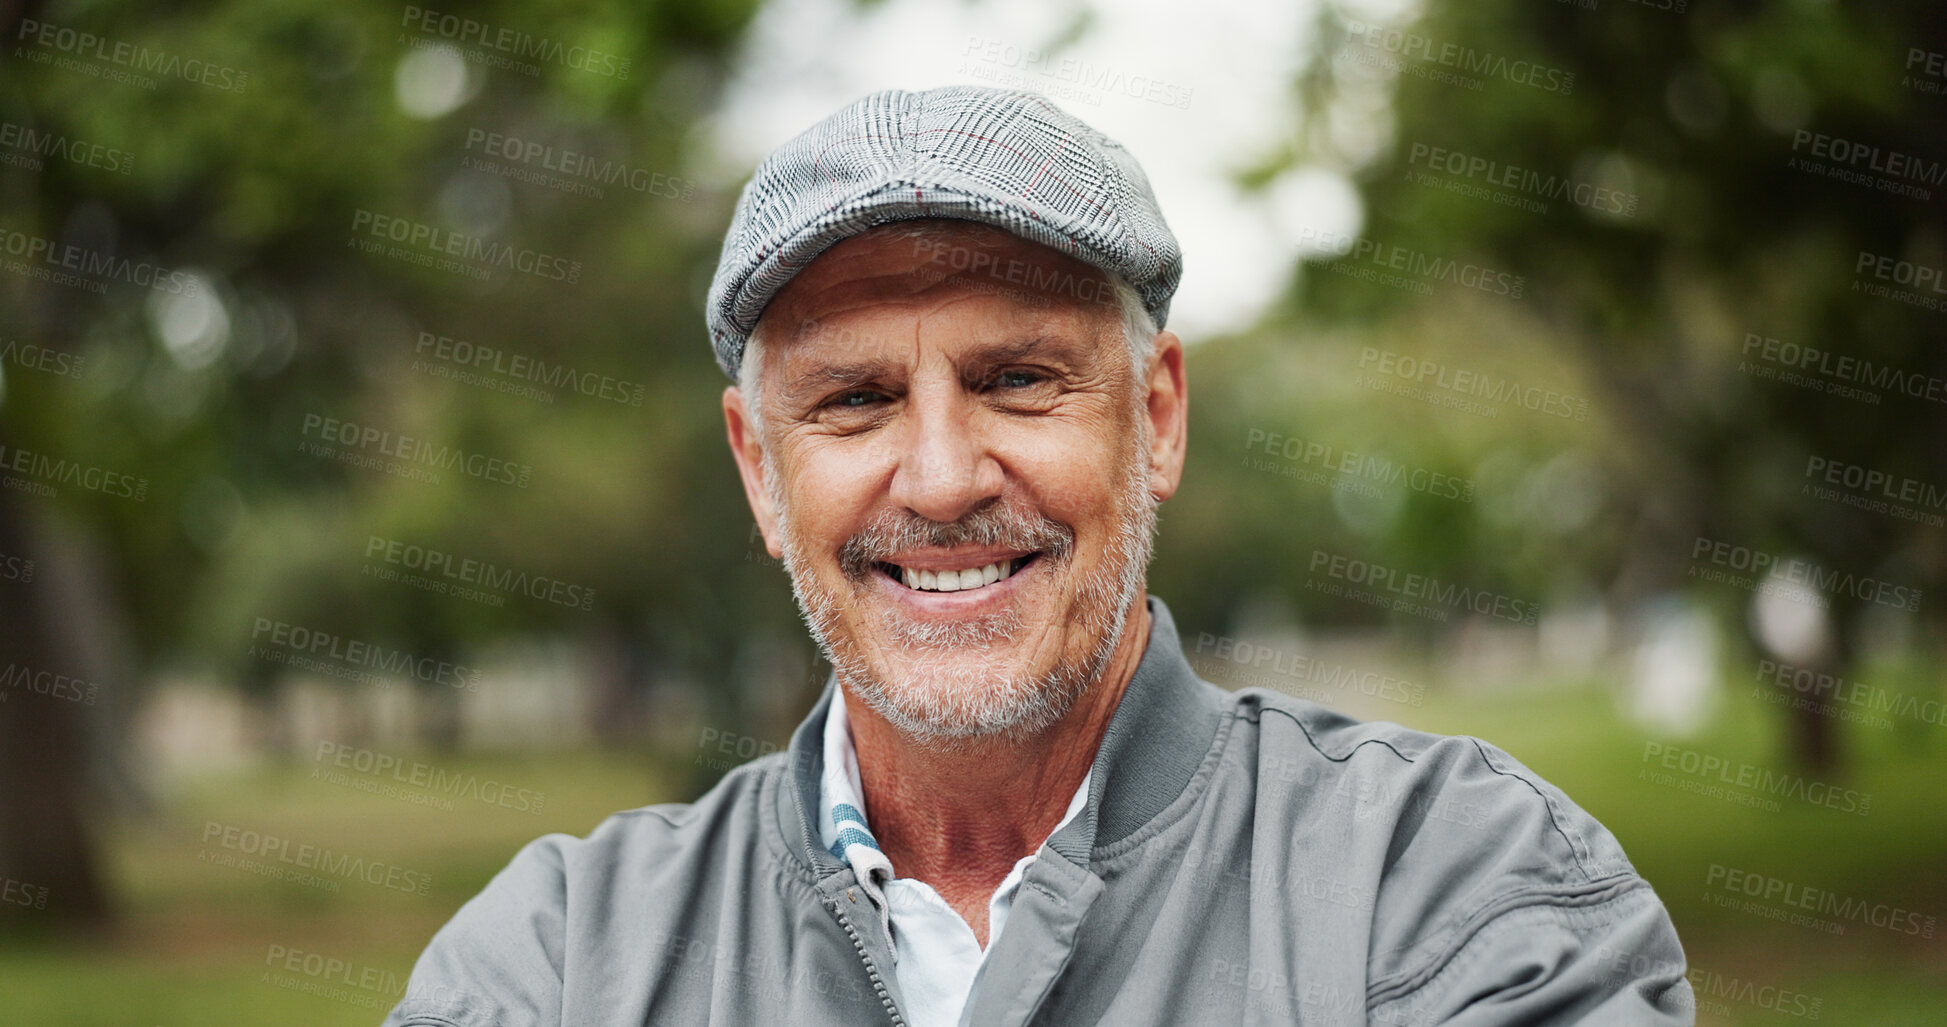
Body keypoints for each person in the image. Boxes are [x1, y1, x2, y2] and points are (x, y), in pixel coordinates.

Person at [384, 85, 1694, 1027]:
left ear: (1158, 418)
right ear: (758, 472)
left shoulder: (1447, 886)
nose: (944, 478)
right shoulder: (555, 964)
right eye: (853, 400)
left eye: (1018, 379)